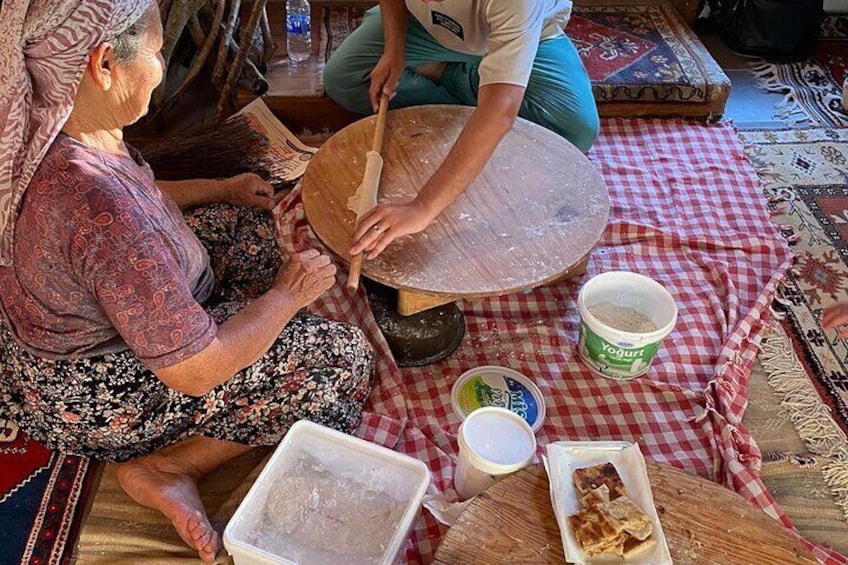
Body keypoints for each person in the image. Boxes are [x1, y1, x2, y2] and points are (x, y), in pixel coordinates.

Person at [0, 0, 374, 561]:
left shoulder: (53, 126)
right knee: (339, 360)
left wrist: (217, 188)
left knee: (247, 226)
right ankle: (167, 467)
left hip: (72, 331)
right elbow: (196, 372)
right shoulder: (92, 204)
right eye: (154, 53)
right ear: (103, 64)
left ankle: (240, 326)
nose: (158, 65)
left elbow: (141, 199)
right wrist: (284, 298)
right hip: (94, 391)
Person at [323, 0, 599, 261]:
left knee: (574, 130)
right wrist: (394, 50)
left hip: (530, 35)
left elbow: (501, 111)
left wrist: (422, 208)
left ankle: (454, 76)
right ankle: (477, 86)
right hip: (427, 29)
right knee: (344, 79)